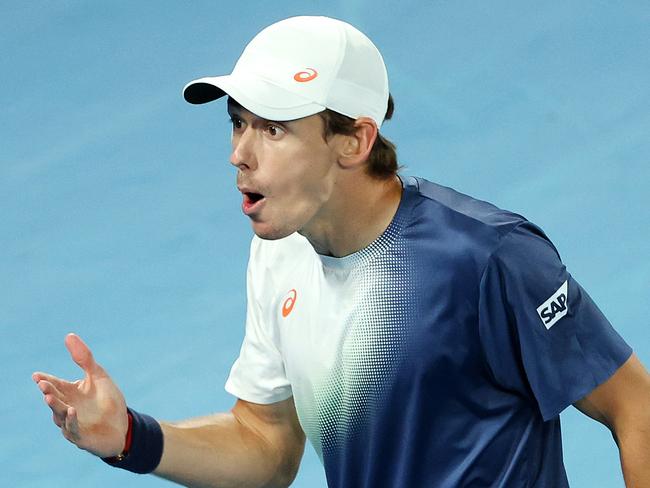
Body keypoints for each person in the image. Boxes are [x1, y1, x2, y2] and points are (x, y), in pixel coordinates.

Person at [33, 15, 650, 488]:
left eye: (273, 128)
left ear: (354, 139)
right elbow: (267, 444)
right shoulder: (280, 253)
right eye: (237, 121)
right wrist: (130, 438)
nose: (239, 153)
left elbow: (635, 404)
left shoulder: (488, 258)